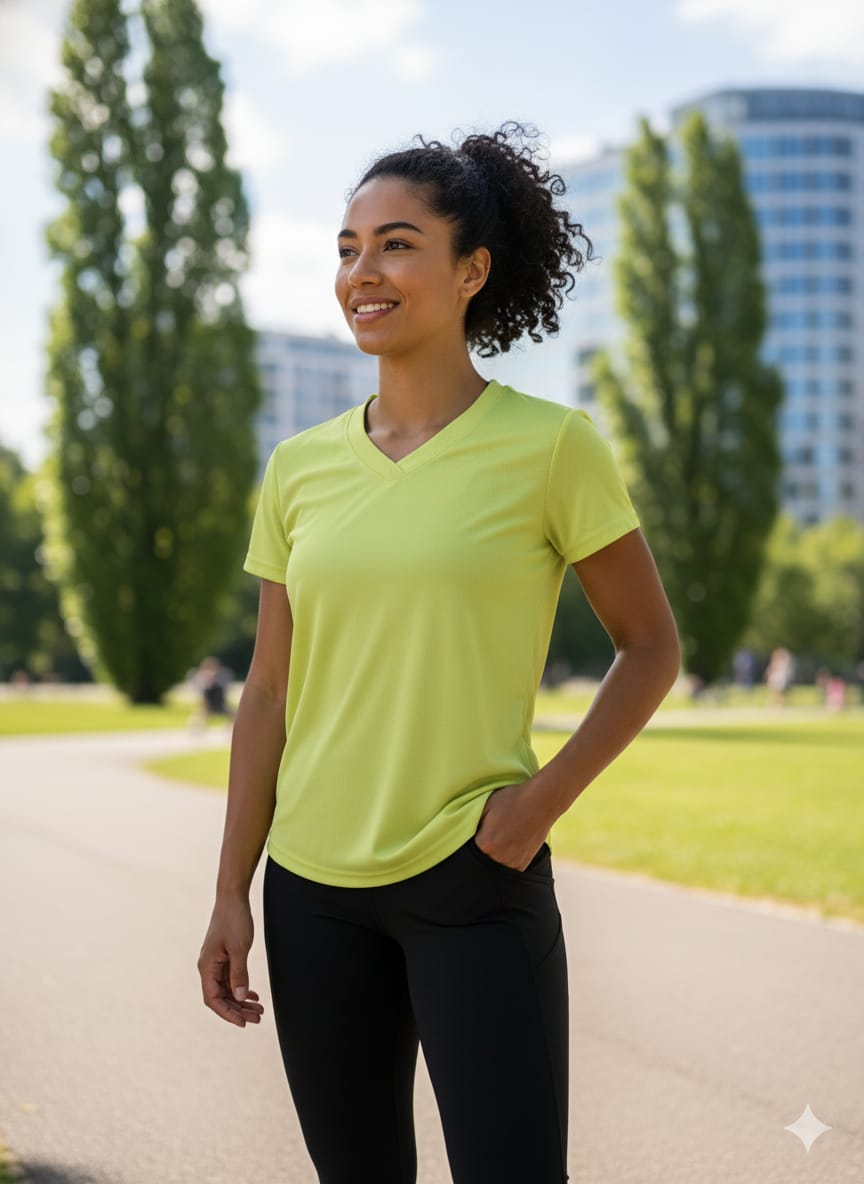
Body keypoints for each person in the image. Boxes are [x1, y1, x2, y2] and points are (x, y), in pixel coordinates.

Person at [197, 122, 681, 1184]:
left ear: (472, 270)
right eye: (346, 247)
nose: (362, 272)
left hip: (474, 876)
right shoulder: (299, 468)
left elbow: (650, 646)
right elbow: (269, 690)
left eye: (396, 244)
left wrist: (540, 802)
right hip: (313, 892)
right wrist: (233, 886)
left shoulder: (553, 447)